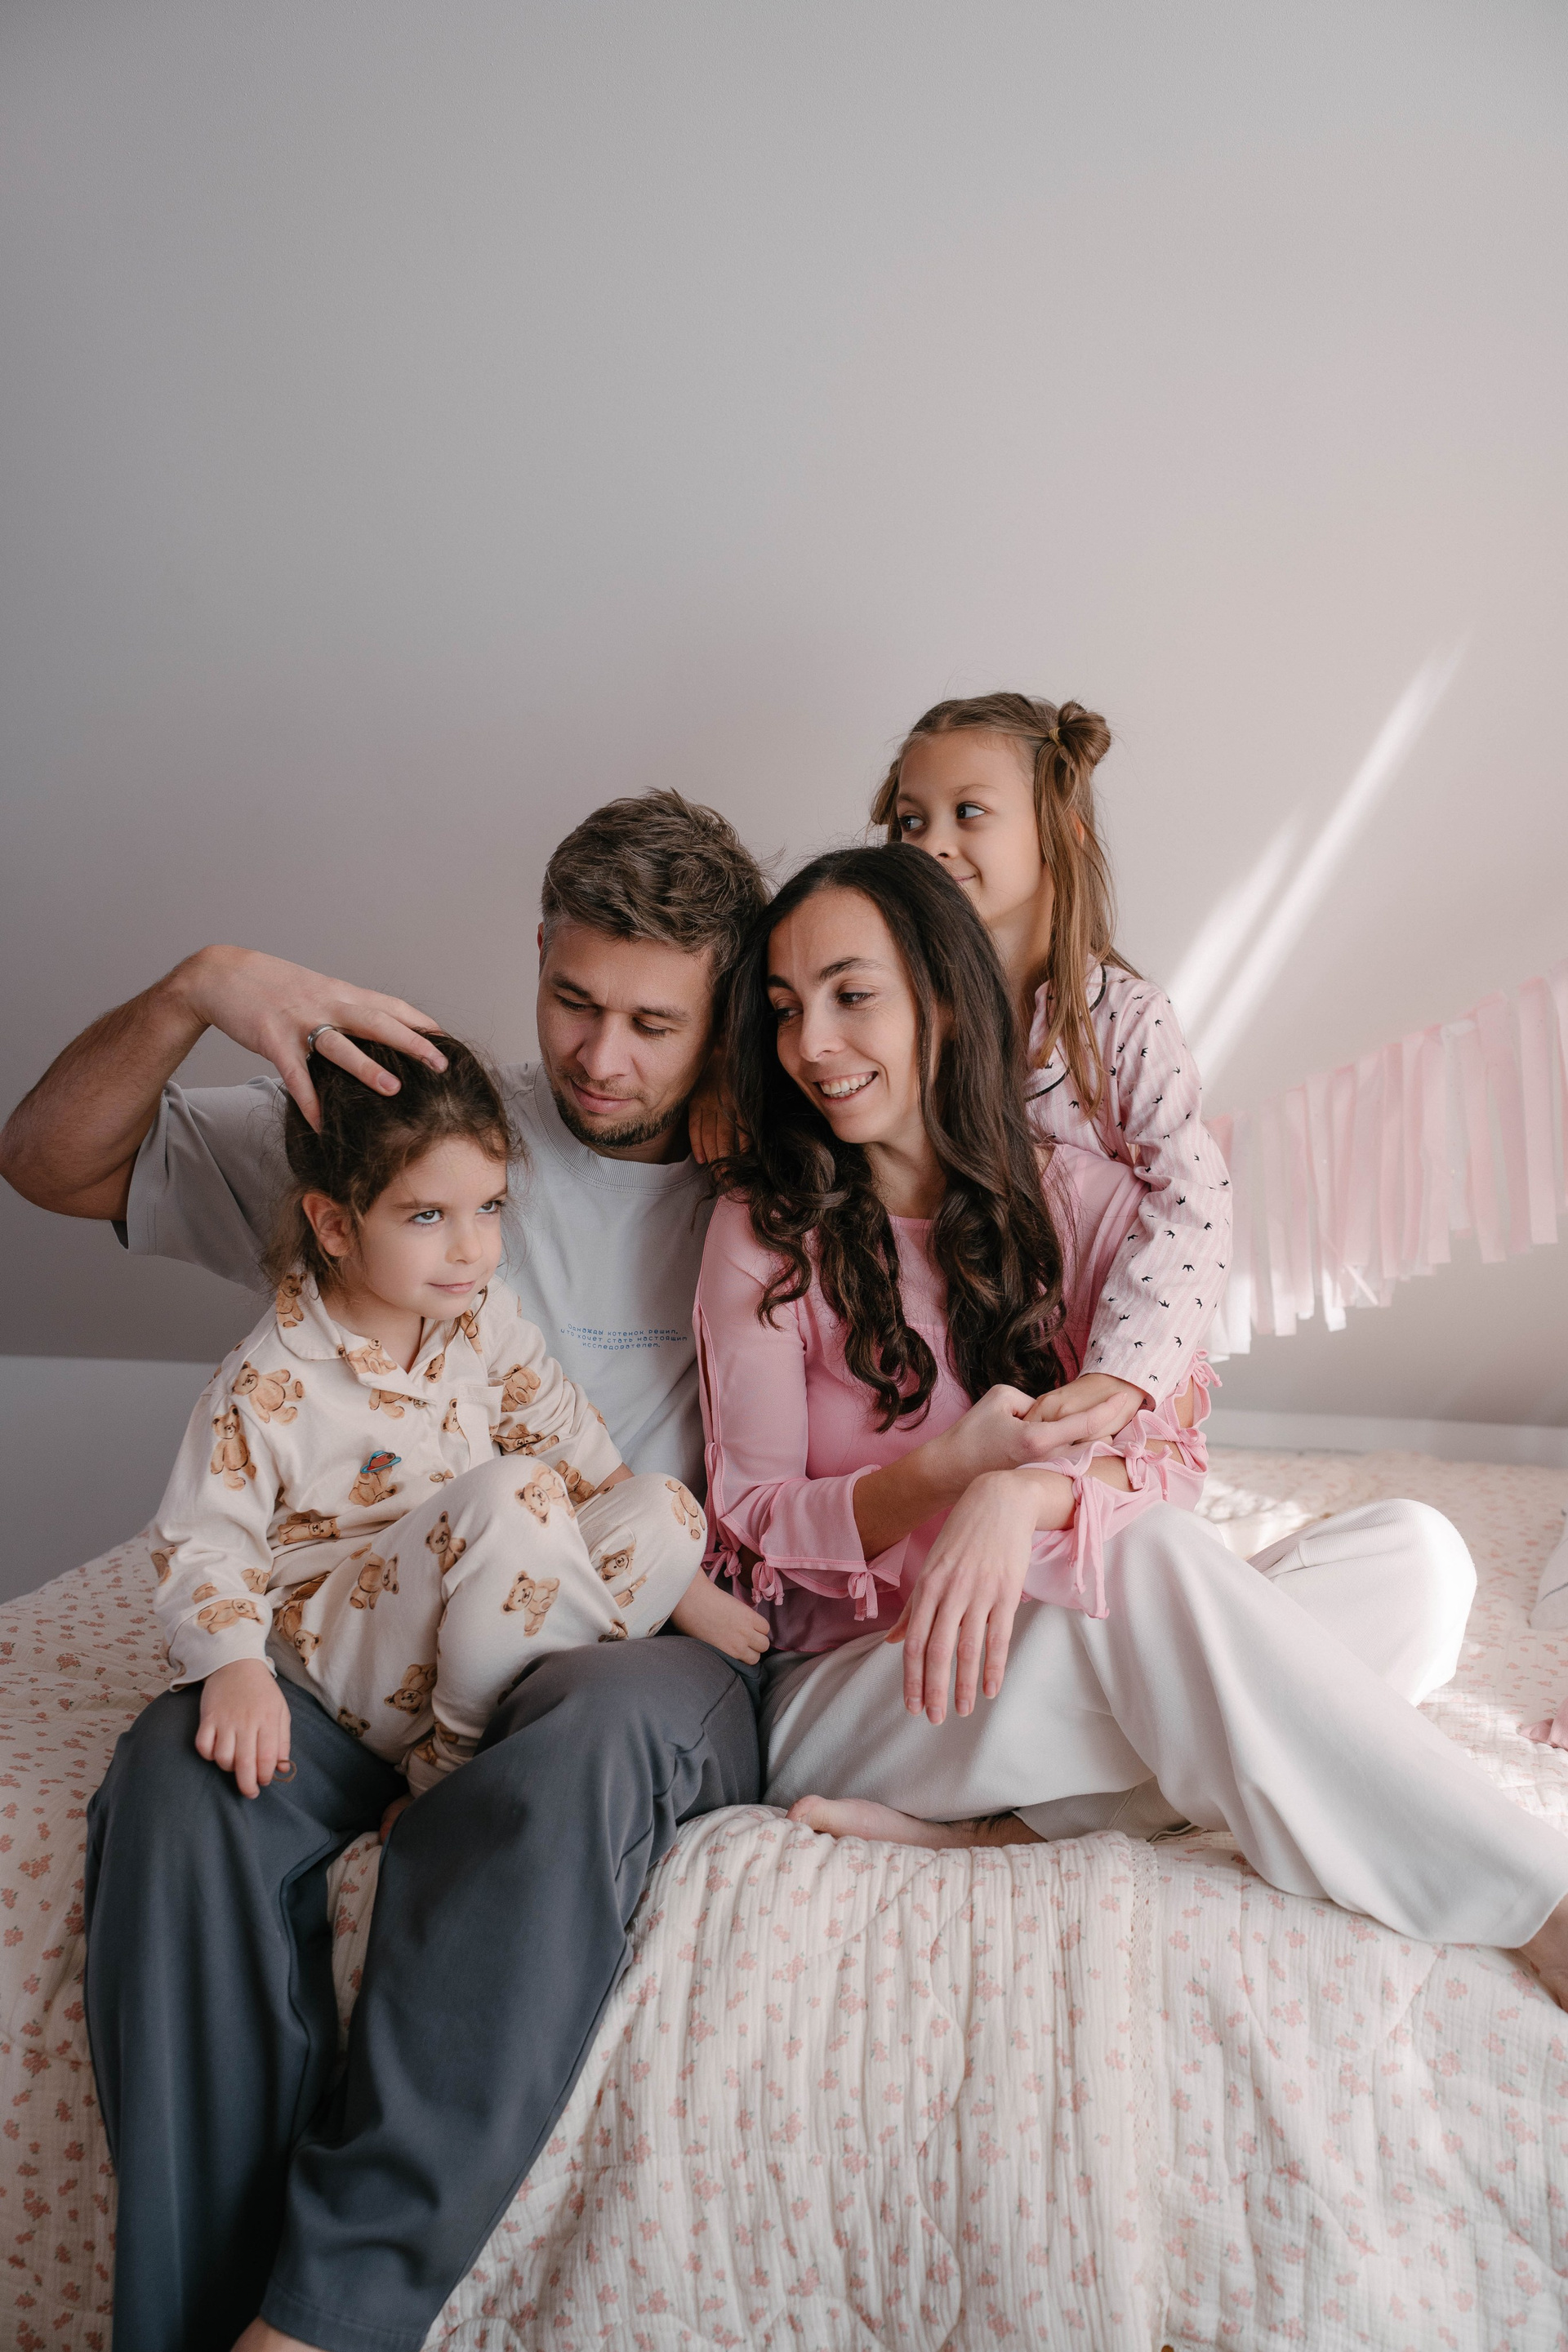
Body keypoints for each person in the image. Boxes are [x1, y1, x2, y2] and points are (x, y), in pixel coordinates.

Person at [0, 791, 789, 2352]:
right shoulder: (418, 1134)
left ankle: (333, 2315)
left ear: (724, 1017)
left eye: (654, 1024)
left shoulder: (786, 1176)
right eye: (573, 999)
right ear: (537, 954)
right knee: (182, 1774)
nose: (601, 1056)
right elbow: (45, 1160)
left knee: (570, 1757)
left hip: (626, 1636)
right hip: (381, 1600)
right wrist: (196, 987)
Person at [693, 844, 1568, 2004]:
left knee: (1416, 1559)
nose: (811, 1044)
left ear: (944, 1000)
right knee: (1150, 1572)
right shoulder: (764, 1231)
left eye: (852, 996)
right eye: (786, 1008)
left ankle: (1029, 1826)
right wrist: (950, 1471)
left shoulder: (1080, 1196)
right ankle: (1538, 1903)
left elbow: (1169, 1452)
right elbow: (751, 1521)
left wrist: (1023, 1494)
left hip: (1061, 1647)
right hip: (869, 1691)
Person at [156, 1031, 765, 1813]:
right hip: (350, 1658)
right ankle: (447, 1781)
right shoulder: (269, 1380)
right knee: (516, 1495)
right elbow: (205, 1539)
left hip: (476, 1630)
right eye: (427, 1216)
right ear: (335, 1226)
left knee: (668, 1511)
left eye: (489, 1207)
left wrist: (683, 1584)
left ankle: (513, 1714)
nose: (472, 1248)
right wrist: (233, 1667)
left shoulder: (481, 1315)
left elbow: (564, 1431)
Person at [871, 688, 1231, 1448]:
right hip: (963, 1368)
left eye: (968, 812)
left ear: (1058, 833)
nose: (930, 845)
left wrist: (1119, 1376)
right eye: (911, 821)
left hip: (1108, 1363)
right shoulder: (895, 1012)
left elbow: (1194, 1201)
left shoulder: (1123, 1020)